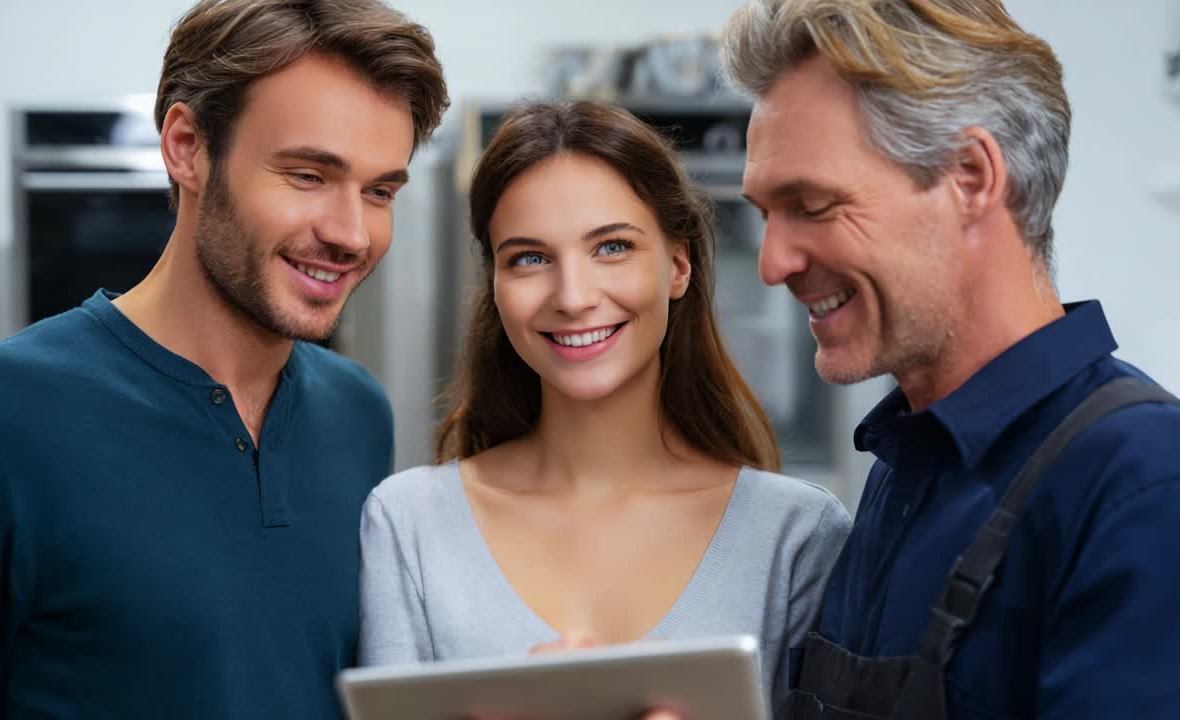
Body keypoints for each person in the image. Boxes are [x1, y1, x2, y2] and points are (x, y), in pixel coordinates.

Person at [0, 0, 448, 717]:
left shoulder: (357, 413)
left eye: (379, 191)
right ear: (187, 146)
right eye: (309, 175)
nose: (352, 233)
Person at [711, 1, 1180, 718]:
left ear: (969, 177)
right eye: (766, 213)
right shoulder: (902, 472)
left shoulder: (1140, 483)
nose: (773, 263)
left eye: (813, 204)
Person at [356, 100, 851, 715]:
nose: (573, 296)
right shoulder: (409, 524)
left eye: (612, 247)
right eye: (529, 258)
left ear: (677, 265)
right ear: (496, 286)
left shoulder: (796, 537)